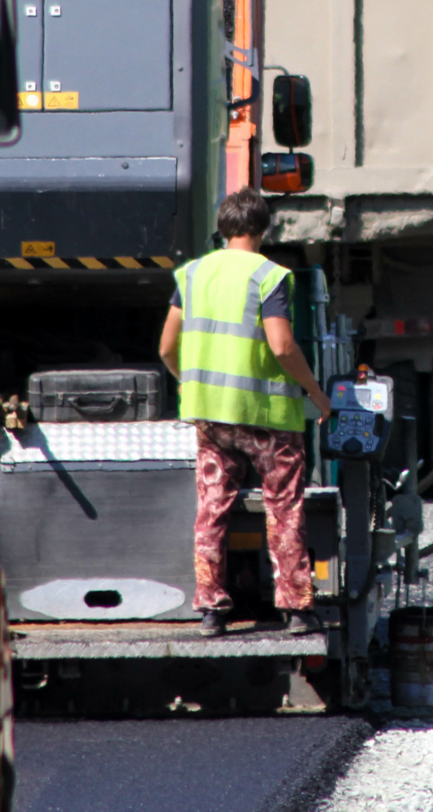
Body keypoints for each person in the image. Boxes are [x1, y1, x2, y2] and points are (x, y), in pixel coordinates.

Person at [159, 186, 335, 636]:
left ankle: (212, 611)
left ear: (224, 228)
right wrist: (315, 392)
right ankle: (296, 609)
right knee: (283, 506)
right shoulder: (270, 276)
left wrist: (192, 383)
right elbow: (282, 345)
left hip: (210, 416)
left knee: (212, 506)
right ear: (262, 229)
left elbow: (166, 348)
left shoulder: (192, 274)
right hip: (268, 419)